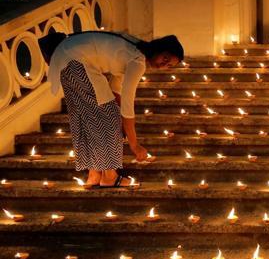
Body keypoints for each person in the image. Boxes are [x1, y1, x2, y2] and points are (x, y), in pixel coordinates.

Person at [48, 31, 183, 188]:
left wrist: (118, 112)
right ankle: (109, 176)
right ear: (159, 48)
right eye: (165, 58)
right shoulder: (138, 61)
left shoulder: (133, 49)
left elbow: (116, 88)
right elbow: (127, 105)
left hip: (64, 58)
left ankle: (94, 174)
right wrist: (134, 145)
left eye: (169, 65)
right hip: (77, 62)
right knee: (110, 118)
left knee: (87, 116)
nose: (163, 64)